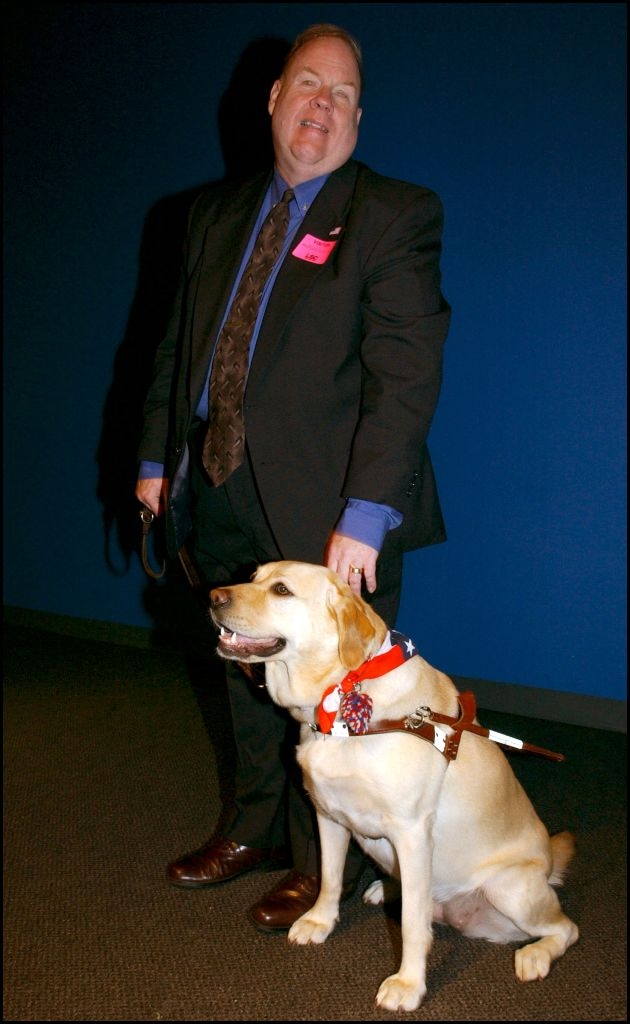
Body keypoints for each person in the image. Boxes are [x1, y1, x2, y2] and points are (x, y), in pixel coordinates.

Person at [135, 22, 451, 932]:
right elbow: (178, 348)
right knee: (245, 666)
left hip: (333, 509)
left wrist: (366, 515)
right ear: (272, 99)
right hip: (219, 483)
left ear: (359, 118)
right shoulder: (211, 215)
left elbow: (406, 371)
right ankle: (256, 829)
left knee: (340, 701)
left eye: (343, 95)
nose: (323, 105)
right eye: (308, 85)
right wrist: (158, 456)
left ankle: (331, 874)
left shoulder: (396, 213)